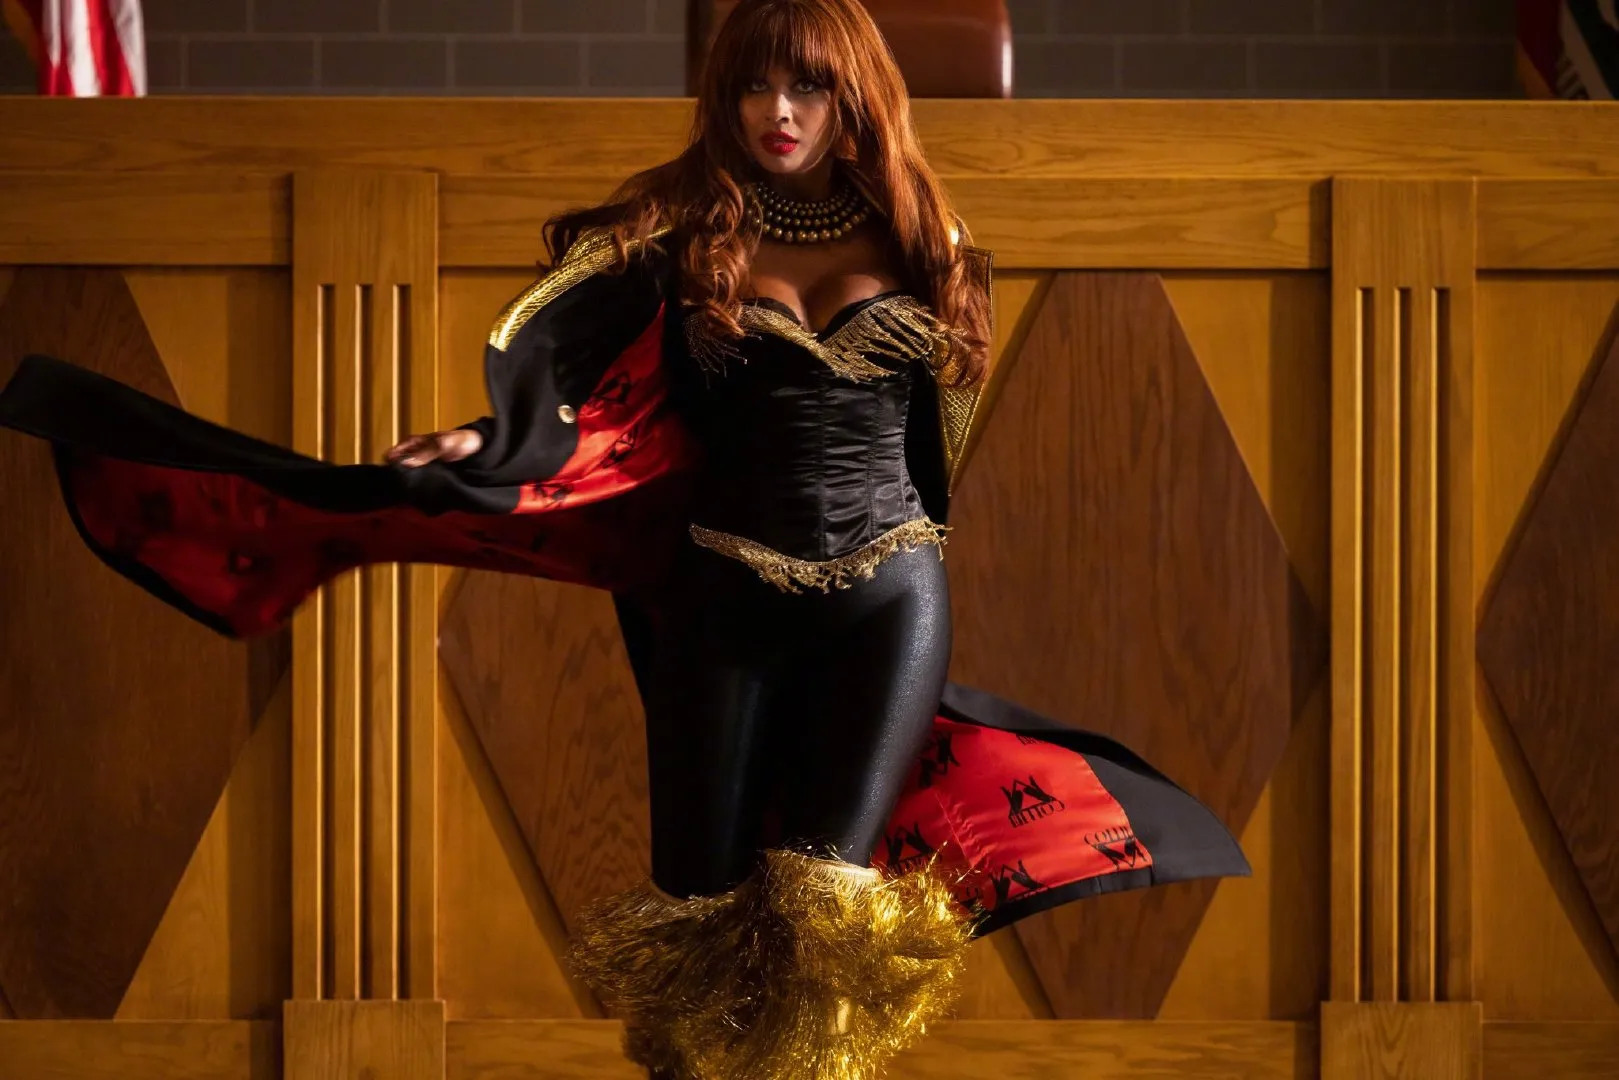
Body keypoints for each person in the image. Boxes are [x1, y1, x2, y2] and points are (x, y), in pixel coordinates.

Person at [0, 2, 1249, 1077]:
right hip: (721, 595)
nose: (778, 112)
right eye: (753, 85)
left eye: (808, 87)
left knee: (829, 909)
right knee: (700, 904)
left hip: (889, 599)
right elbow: (573, 387)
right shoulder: (675, 237)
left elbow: (940, 444)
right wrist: (480, 442)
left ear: (854, 96)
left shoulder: (929, 239)